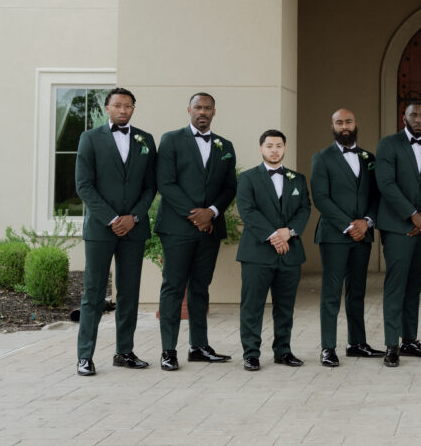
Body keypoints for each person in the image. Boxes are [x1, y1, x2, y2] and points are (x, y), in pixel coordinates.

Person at [74, 87, 157, 376]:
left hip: (134, 229)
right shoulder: (89, 138)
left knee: (130, 293)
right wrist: (112, 218)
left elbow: (150, 186)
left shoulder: (145, 140)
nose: (123, 110)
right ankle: (85, 356)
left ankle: (124, 351)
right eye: (118, 105)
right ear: (107, 107)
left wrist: (133, 217)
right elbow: (84, 185)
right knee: (94, 293)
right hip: (100, 229)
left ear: (134, 109)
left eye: (128, 106)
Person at [154, 93, 237, 371]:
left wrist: (211, 212)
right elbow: (165, 183)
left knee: (201, 288)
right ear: (189, 109)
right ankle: (168, 350)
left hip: (210, 229)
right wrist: (196, 215)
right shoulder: (171, 140)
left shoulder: (225, 146)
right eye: (198, 107)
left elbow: (229, 188)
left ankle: (199, 346)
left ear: (215, 111)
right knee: (173, 288)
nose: (203, 112)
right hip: (177, 228)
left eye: (208, 108)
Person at [310, 108, 385, 367]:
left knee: (357, 291)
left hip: (363, 235)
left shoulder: (368, 157)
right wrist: (347, 225)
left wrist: (366, 222)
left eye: (349, 121)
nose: (344, 126)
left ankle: (357, 343)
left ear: (356, 124)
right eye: (339, 122)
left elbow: (377, 194)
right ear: (332, 126)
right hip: (334, 235)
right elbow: (320, 197)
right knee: (331, 293)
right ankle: (328, 348)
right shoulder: (322, 158)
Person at [235, 130, 310, 371]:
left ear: (284, 148)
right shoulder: (247, 178)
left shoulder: (297, 179)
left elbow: (305, 208)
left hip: (290, 252)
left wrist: (290, 231)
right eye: (269, 145)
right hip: (256, 253)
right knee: (252, 306)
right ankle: (251, 354)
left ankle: (283, 351)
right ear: (261, 149)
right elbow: (247, 210)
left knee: (285, 306)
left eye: (279, 145)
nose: (274, 150)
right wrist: (273, 236)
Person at [375, 101, 421, 367]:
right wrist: (412, 214)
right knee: (396, 286)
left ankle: (410, 340)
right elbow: (386, 184)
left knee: (414, 287)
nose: (418, 119)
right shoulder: (388, 144)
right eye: (413, 114)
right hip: (397, 227)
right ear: (404, 116)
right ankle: (392, 344)